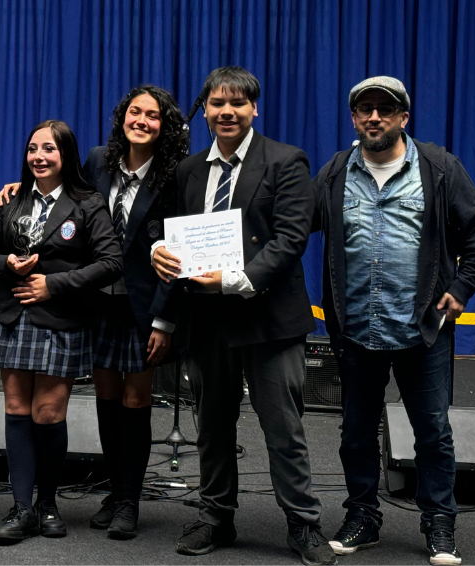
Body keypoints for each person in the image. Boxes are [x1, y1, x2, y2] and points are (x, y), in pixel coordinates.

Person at [150, 66, 334, 565]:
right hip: (206, 321)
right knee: (212, 426)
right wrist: (159, 251)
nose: (226, 112)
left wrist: (234, 281)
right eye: (217, 103)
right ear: (205, 111)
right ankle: (216, 517)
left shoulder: (286, 160)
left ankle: (303, 524)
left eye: (237, 104)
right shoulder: (188, 171)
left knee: (283, 428)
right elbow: (172, 234)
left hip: (268, 318)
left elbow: (291, 239)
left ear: (254, 109)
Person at [313, 77, 475, 566]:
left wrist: (459, 290)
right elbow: (293, 222)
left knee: (432, 431)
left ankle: (439, 522)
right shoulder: (335, 173)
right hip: (356, 330)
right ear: (354, 118)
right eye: (365, 110)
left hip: (423, 331)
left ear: (403, 118)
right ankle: (362, 518)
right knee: (355, 432)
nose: (374, 117)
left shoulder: (438, 168)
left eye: (385, 110)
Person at [0, 86, 188, 539]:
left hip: (145, 306)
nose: (141, 120)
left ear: (165, 125)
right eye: (134, 112)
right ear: (122, 117)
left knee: (136, 400)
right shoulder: (100, 160)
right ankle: (112, 489)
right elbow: (61, 191)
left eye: (152, 115)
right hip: (97, 302)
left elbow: (180, 248)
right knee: (105, 399)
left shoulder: (175, 173)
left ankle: (129, 501)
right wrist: (16, 186)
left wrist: (165, 319)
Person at [0, 120, 122, 543]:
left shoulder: (87, 203)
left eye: (49, 149)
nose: (39, 156)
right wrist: (7, 264)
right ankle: (22, 508)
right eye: (32, 149)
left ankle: (48, 503)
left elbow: (111, 263)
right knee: (18, 410)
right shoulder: (12, 200)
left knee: (49, 414)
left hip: (61, 321)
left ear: (66, 156)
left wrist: (53, 284)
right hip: (13, 319)